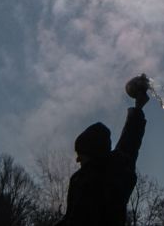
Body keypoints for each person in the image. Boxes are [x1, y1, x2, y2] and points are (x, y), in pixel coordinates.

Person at [55, 74, 150, 226]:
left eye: (80, 154)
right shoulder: (117, 169)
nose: (78, 159)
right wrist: (138, 108)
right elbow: (129, 142)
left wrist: (138, 108)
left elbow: (129, 141)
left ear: (92, 152)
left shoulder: (87, 180)